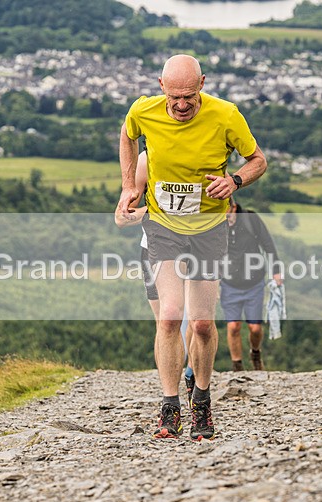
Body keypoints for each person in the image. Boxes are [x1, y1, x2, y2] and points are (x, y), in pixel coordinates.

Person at [118, 54, 267, 440]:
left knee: (201, 324)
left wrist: (235, 181)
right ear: (161, 85)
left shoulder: (226, 115)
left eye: (189, 96)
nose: (182, 105)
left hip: (208, 229)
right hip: (164, 227)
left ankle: (201, 399)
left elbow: (258, 161)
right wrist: (129, 186)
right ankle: (170, 407)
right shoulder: (143, 110)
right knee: (169, 316)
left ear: (202, 84)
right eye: (174, 97)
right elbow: (127, 135)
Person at [114, 151, 195, 405]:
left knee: (198, 320)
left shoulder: (204, 146)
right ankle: (170, 397)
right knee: (166, 323)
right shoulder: (146, 159)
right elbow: (121, 217)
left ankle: (192, 376)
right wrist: (158, 210)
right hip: (155, 248)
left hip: (198, 246)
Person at [221, 197, 282, 371]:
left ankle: (255, 353)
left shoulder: (250, 219)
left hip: (254, 282)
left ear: (232, 207)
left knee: (255, 328)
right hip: (229, 282)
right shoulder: (217, 223)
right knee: (233, 326)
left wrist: (276, 270)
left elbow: (267, 244)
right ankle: (237, 366)